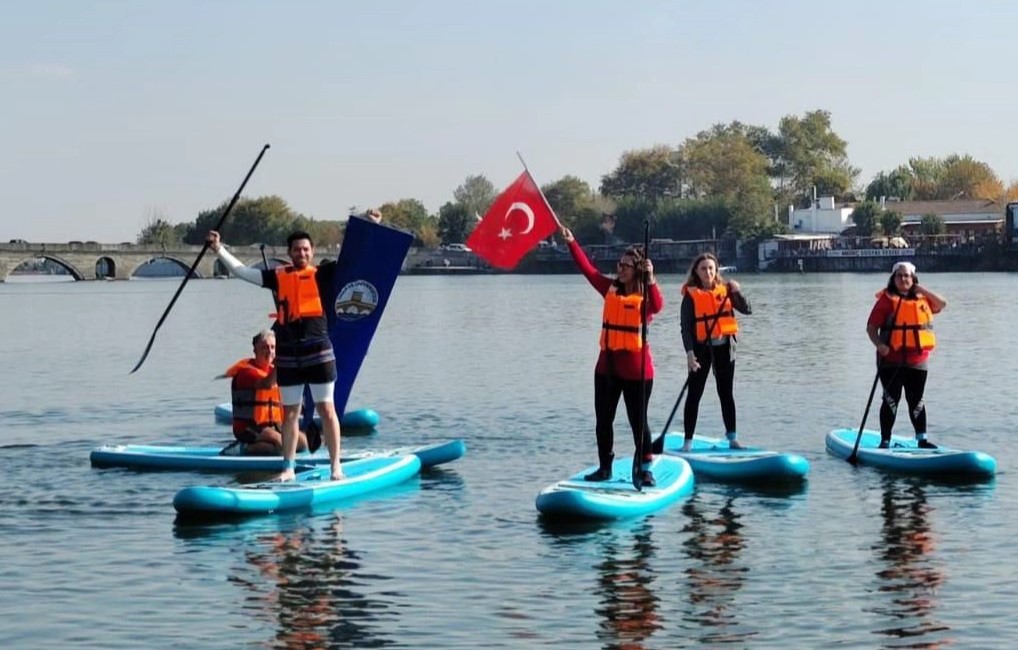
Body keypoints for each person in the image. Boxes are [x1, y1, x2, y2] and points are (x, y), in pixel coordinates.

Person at [207, 210, 382, 480]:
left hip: (319, 352)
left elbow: (354, 256)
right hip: (289, 357)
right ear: (290, 253)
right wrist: (219, 249)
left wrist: (370, 225)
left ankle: (336, 466)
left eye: (306, 249)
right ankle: (287, 468)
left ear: (312, 252)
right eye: (297, 250)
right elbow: (241, 272)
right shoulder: (277, 276)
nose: (301, 253)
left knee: (326, 409)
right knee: (290, 414)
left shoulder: (325, 274)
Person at [561, 226, 663, 486]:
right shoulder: (609, 289)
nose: (621, 268)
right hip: (606, 369)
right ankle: (605, 467)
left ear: (637, 269)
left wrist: (651, 279)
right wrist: (572, 242)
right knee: (603, 421)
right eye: (620, 263)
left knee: (638, 423)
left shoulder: (644, 298)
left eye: (627, 265)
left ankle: (645, 469)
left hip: (637, 372)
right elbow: (589, 271)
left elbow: (658, 306)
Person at [866, 261, 947, 449]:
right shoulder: (886, 300)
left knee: (917, 401)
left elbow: (942, 303)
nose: (903, 279)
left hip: (917, 361)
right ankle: (885, 440)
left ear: (913, 279)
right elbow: (871, 328)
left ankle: (922, 440)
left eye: (907, 276)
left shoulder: (922, 299)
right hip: (890, 360)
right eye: (899, 276)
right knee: (891, 400)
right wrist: (879, 345)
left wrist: (922, 289)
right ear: (893, 279)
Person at [679, 253, 752, 452]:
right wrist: (689, 353)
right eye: (703, 268)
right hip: (701, 350)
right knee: (694, 394)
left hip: (724, 348)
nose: (708, 272)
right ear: (696, 271)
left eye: (711, 268)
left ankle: (732, 438)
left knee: (726, 393)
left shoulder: (727, 291)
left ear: (716, 270)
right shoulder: (690, 296)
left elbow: (747, 310)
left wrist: (737, 293)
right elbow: (685, 328)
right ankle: (688, 442)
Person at [219, 329, 314, 456]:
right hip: (249, 427)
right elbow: (267, 384)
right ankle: (242, 447)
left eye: (273, 347)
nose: (269, 351)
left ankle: (268, 444)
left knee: (302, 443)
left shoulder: (274, 371)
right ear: (255, 350)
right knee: (281, 446)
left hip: (273, 425)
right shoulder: (246, 373)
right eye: (264, 347)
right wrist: (281, 363)